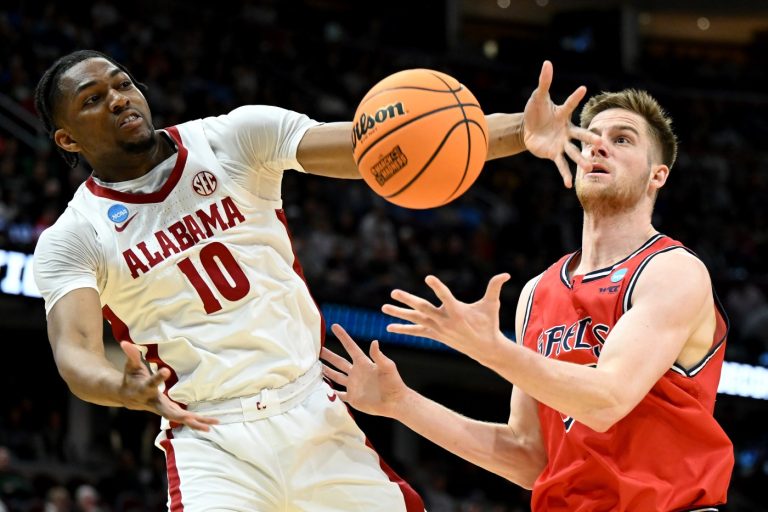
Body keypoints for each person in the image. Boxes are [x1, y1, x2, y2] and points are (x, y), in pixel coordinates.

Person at [32, 49, 597, 511]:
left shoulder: (233, 139)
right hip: (211, 440)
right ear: (67, 140)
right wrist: (119, 389)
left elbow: (382, 147)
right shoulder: (73, 237)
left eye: (122, 82)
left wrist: (521, 132)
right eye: (93, 100)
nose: (119, 98)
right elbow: (76, 351)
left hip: (310, 409)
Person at [322, 87, 735, 511]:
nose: (598, 146)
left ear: (657, 175)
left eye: (622, 139)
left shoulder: (672, 270)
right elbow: (526, 457)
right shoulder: (538, 292)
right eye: (591, 136)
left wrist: (491, 349)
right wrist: (402, 403)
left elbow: (607, 399)